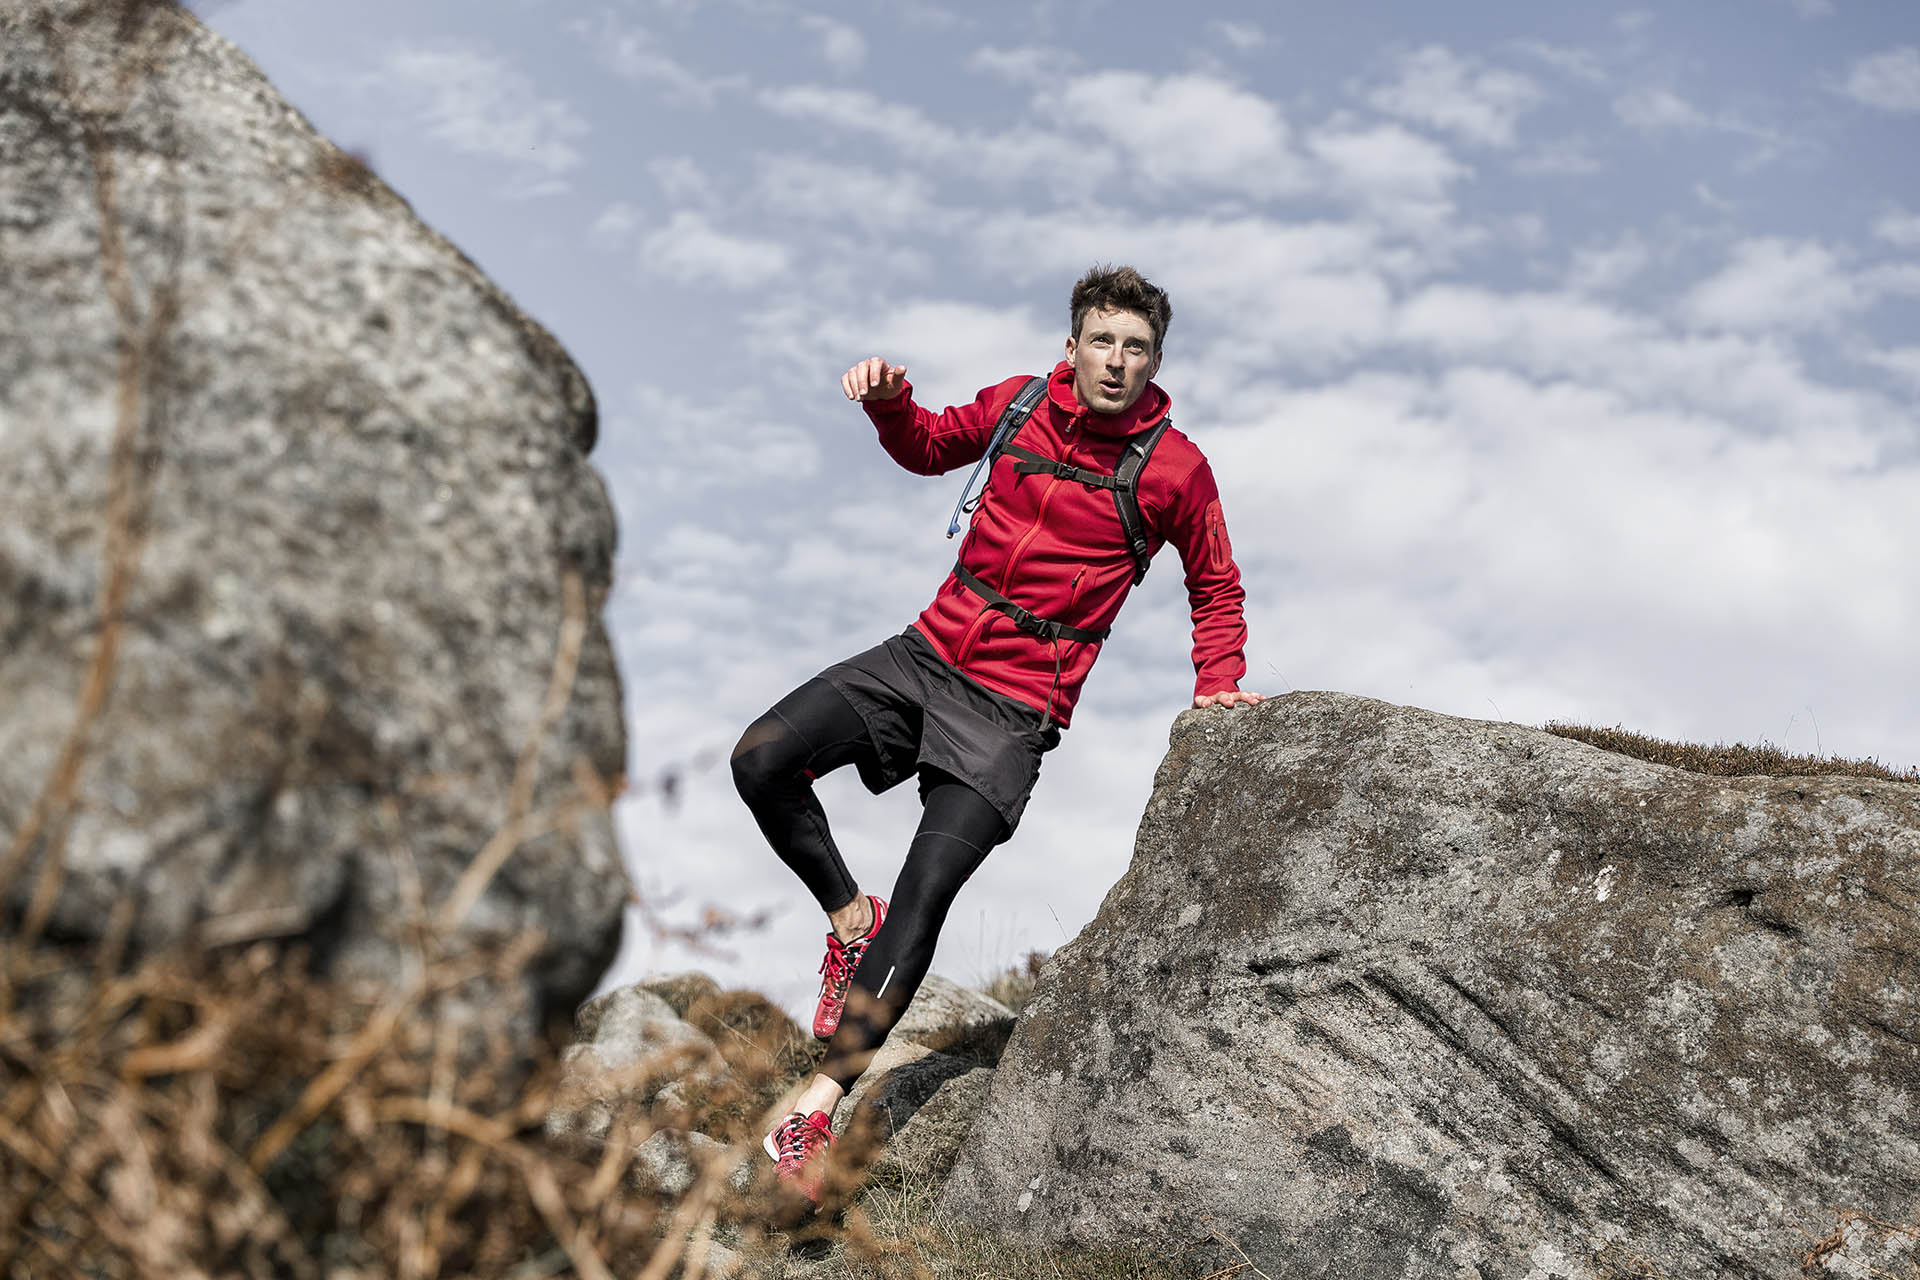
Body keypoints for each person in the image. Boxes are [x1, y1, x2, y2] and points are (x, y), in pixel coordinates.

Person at [730, 265, 1261, 1203]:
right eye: (1102, 340)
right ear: (1072, 347)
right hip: (924, 656)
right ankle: (850, 921)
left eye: (1136, 348)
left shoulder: (1176, 468)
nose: (1116, 360)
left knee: (926, 893)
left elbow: (1215, 584)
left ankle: (813, 1110)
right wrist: (892, 406)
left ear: (1155, 364)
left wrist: (1218, 683)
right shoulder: (1019, 406)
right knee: (763, 757)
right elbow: (931, 446)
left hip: (1015, 708)